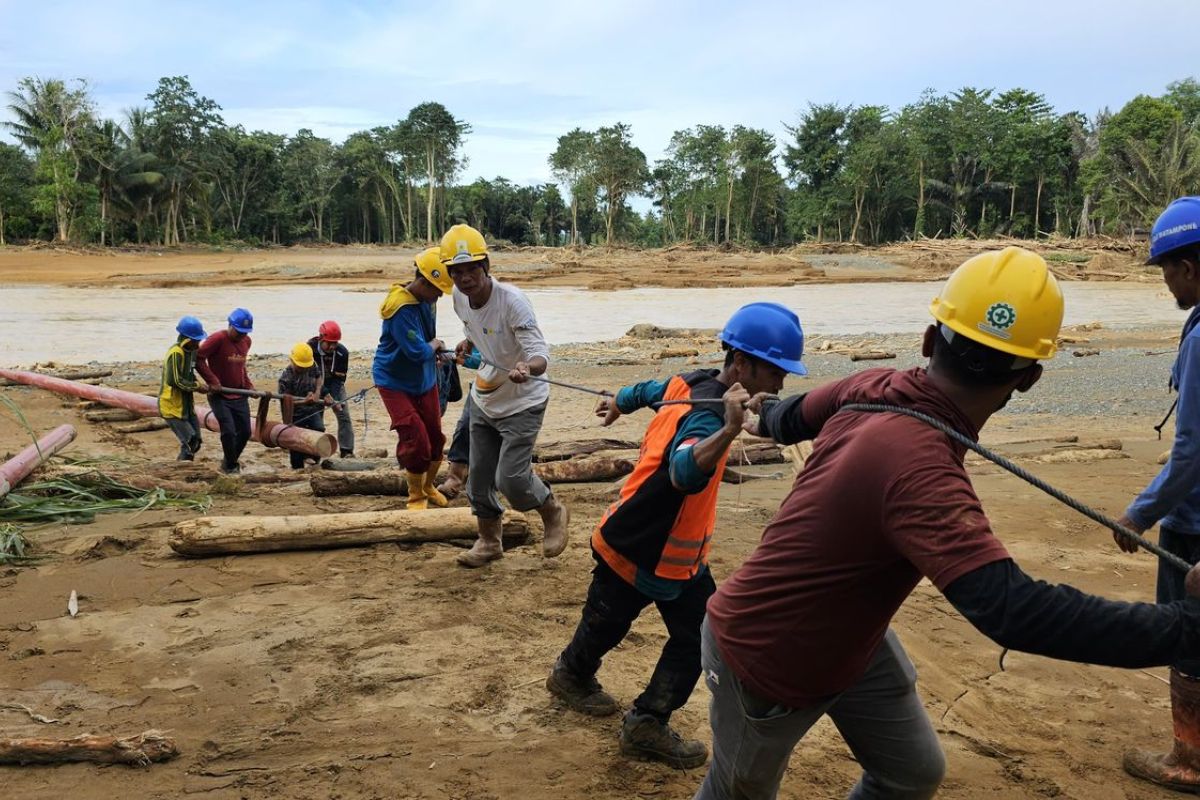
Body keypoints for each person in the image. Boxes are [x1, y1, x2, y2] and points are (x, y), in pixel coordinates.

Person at [695, 247, 1200, 800]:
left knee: (910, 773)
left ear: (930, 340)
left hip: (849, 640)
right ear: (1030, 379)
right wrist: (1185, 629)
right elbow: (1011, 609)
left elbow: (788, 418)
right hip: (765, 654)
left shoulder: (872, 385)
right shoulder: (919, 471)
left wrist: (759, 411)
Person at [546, 303, 806, 770]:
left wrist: (619, 401)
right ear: (742, 364)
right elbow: (683, 470)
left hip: (644, 540)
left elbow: (651, 389)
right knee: (686, 638)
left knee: (615, 620)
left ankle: (574, 676)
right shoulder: (709, 414)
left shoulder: (692, 380)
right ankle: (641, 719)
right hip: (650, 547)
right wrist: (728, 429)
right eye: (776, 369)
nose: (783, 382)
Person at [1114, 197, 1200, 791]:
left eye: (1165, 269)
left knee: (1189, 636)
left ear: (1188, 267)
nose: (1165, 281)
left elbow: (1193, 452)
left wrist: (1139, 515)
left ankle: (1188, 759)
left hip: (1194, 527)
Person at [442, 223, 569, 568]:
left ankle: (551, 509)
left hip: (523, 401)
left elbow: (540, 354)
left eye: (472, 269)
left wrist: (529, 367)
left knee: (511, 480)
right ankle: (488, 541)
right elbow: (477, 330)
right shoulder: (457, 298)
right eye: (458, 272)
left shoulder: (513, 302)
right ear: (450, 274)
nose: (466, 278)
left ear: (486, 267)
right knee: (479, 480)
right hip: (485, 398)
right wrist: (469, 344)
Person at [373, 247, 454, 510]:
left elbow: (426, 344)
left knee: (436, 437)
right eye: (437, 289)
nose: (440, 294)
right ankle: (415, 495)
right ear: (423, 282)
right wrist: (436, 344)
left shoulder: (428, 302)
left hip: (424, 378)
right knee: (414, 437)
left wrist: (436, 350)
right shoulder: (400, 308)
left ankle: (428, 486)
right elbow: (417, 350)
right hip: (394, 381)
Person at [196, 307, 254, 474]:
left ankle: (229, 461)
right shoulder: (217, 339)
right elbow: (198, 358)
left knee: (245, 431)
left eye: (245, 332)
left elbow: (242, 366)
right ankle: (230, 466)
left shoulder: (246, 342)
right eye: (238, 331)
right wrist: (212, 380)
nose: (242, 335)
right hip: (219, 395)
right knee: (228, 430)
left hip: (240, 394)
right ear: (230, 325)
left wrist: (248, 385)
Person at [158, 315, 209, 461]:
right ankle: (181, 470)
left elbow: (190, 374)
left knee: (196, 441)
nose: (198, 343)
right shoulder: (175, 353)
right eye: (196, 340)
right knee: (189, 441)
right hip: (172, 406)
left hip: (186, 406)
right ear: (187, 339)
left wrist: (197, 383)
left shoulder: (192, 352)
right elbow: (174, 381)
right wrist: (197, 386)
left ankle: (185, 466)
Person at [437, 346, 481, 500]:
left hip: (513, 390)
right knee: (465, 425)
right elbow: (477, 353)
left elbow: (484, 358)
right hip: (485, 384)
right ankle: (455, 479)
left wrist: (461, 358)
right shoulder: (477, 325)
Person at [307, 320, 355, 458]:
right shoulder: (309, 349)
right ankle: (313, 453)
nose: (332, 346)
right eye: (329, 343)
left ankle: (347, 451)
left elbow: (339, 379)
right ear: (321, 338)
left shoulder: (342, 352)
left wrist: (334, 399)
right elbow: (311, 377)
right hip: (314, 385)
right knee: (316, 418)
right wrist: (324, 394)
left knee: (344, 416)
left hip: (334, 384)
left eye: (335, 343)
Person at [278, 342, 326, 470]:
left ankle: (314, 460)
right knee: (296, 439)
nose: (304, 369)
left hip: (312, 409)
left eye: (306, 367)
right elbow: (285, 402)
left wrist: (317, 393)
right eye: (300, 367)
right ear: (292, 361)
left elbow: (318, 377)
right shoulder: (286, 378)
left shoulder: (312, 365)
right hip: (295, 413)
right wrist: (303, 402)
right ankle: (297, 467)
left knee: (319, 429)